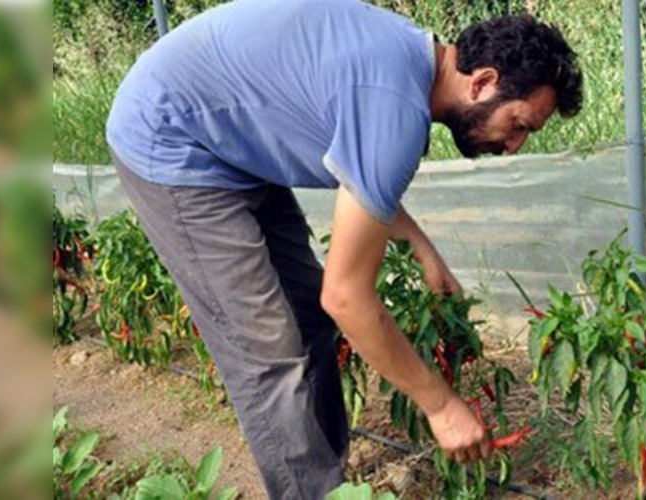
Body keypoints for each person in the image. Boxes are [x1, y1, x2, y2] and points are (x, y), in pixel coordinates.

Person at [105, 0, 582, 497]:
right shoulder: (394, 106)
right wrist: (440, 406)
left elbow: (362, 166)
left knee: (309, 317)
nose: (514, 146)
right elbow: (348, 296)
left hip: (228, 139)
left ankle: (328, 477)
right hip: (171, 138)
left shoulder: (407, 60)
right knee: (265, 352)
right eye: (520, 124)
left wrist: (423, 247)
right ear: (482, 82)